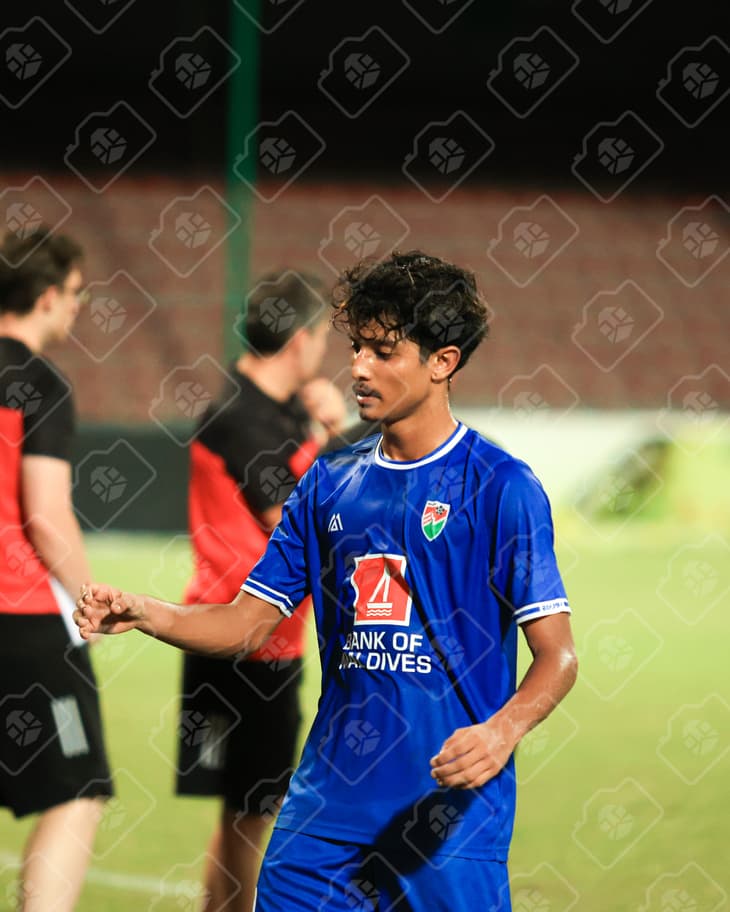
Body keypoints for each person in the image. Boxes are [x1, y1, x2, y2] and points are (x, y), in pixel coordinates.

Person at [75, 250, 578, 911]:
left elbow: (558, 656)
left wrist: (501, 731)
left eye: (384, 351)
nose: (359, 368)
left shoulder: (502, 488)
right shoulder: (328, 484)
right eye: (358, 346)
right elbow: (248, 621)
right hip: (323, 817)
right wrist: (148, 612)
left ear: (443, 361)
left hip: (446, 822)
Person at [176, 270, 346, 912]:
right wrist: (325, 434)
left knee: (243, 811)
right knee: (253, 810)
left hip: (256, 637)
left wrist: (319, 423)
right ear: (301, 339)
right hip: (243, 641)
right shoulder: (240, 418)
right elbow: (289, 517)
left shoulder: (272, 410)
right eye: (325, 336)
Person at [0, 227, 113, 911]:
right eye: (75, 294)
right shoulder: (37, 380)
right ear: (45, 296)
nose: (78, 307)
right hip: (17, 622)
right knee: (79, 786)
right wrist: (88, 598)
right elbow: (44, 515)